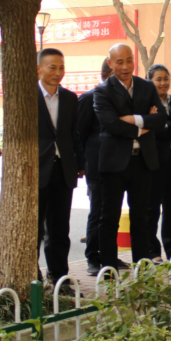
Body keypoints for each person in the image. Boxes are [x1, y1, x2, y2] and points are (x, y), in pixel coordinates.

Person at [94, 43, 167, 269]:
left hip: (142, 162)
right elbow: (112, 125)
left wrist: (133, 120)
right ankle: (108, 270)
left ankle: (142, 269)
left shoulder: (146, 86)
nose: (125, 66)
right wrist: (144, 124)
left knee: (141, 219)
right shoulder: (102, 91)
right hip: (114, 164)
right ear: (110, 63)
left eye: (128, 61)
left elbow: (161, 118)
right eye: (119, 62)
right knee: (109, 219)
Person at [37, 48, 83, 283]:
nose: (58, 72)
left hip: (63, 170)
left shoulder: (69, 98)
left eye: (61, 67)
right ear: (39, 69)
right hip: (36, 170)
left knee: (59, 229)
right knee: (34, 229)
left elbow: (75, 134)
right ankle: (32, 277)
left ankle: (58, 276)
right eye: (52, 67)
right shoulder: (28, 96)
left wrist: (79, 164)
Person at [146, 64, 171, 262]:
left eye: (166, 78)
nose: (163, 83)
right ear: (150, 81)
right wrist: (169, 127)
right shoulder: (146, 103)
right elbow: (149, 128)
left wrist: (162, 123)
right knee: (152, 208)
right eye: (158, 79)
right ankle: (152, 251)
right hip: (154, 161)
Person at [78, 59, 112, 276]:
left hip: (116, 164)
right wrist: (82, 164)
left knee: (111, 213)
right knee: (97, 211)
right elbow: (79, 133)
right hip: (96, 165)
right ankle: (92, 256)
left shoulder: (121, 99)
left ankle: (109, 255)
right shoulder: (88, 98)